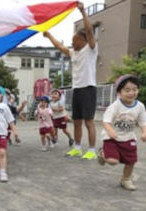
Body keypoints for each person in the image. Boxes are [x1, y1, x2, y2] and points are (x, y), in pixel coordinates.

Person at [43, 1, 98, 160]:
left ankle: (92, 150)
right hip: (77, 90)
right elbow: (60, 46)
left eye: (75, 40)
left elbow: (89, 30)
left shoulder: (91, 49)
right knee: (77, 121)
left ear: (84, 41)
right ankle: (77, 147)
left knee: (89, 122)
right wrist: (49, 35)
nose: (72, 43)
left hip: (88, 88)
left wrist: (83, 13)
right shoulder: (74, 53)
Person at [97, 75, 146, 191]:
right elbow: (106, 120)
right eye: (127, 90)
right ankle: (102, 153)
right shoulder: (115, 106)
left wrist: (145, 132)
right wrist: (110, 131)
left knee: (131, 161)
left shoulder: (140, 106)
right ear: (119, 92)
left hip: (129, 137)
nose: (131, 93)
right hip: (111, 138)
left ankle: (125, 179)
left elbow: (144, 120)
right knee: (112, 161)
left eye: (134, 89)